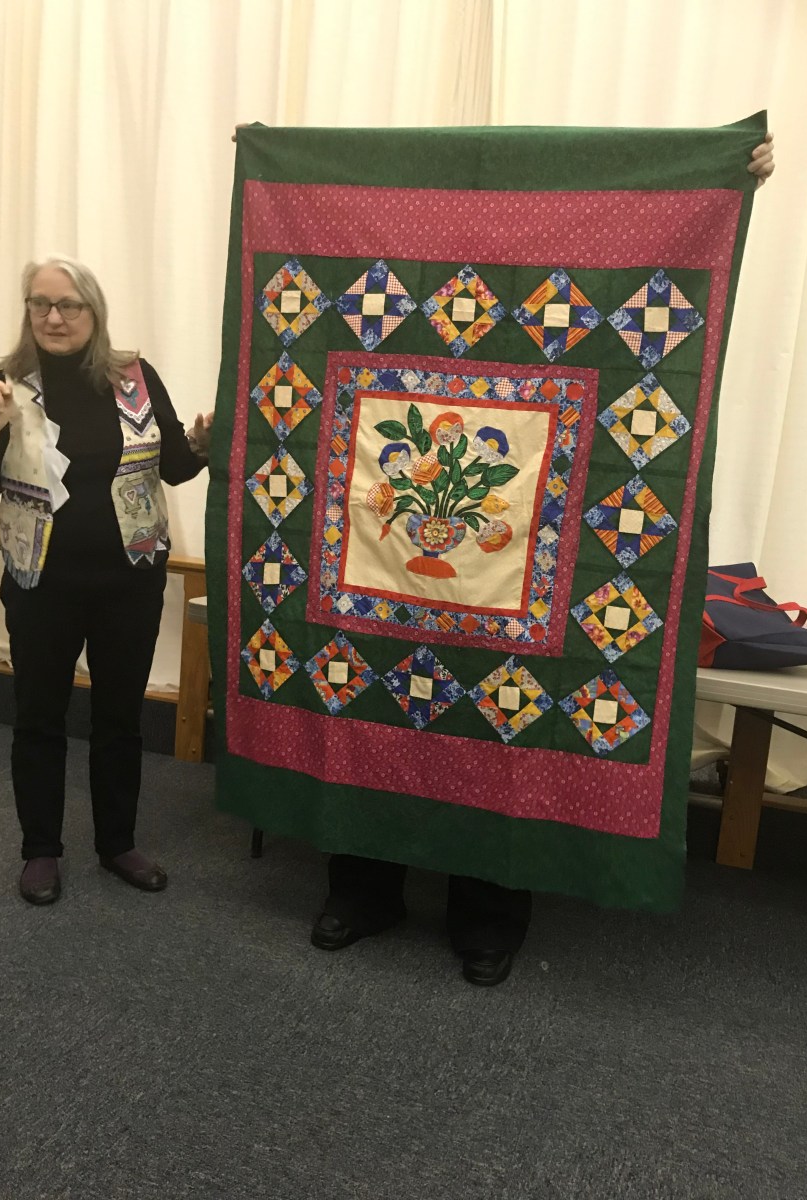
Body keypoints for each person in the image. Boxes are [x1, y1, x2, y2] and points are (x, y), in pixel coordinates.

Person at [310, 133, 778, 987]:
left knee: (501, 725)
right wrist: (269, 165)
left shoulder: (537, 312)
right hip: (386, 573)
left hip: (517, 577)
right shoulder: (407, 306)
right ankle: (364, 889)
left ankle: (488, 915)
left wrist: (729, 176)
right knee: (368, 701)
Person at [0, 256, 213, 905]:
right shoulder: (7, 386)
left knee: (119, 718)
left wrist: (201, 442)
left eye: (68, 305)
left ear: (93, 311)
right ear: (27, 310)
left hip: (129, 580)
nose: (53, 317)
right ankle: (40, 850)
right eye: (40, 303)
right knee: (38, 718)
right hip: (39, 583)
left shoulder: (135, 378)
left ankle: (117, 843)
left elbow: (175, 466)